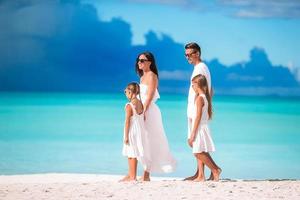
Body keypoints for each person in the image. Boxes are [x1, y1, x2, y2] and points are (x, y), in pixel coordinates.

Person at [135, 51, 176, 181]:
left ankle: (146, 174)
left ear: (150, 62)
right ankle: (143, 172)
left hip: (150, 111)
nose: (139, 63)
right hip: (142, 110)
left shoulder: (152, 76)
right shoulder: (142, 77)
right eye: (138, 60)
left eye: (142, 60)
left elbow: (151, 95)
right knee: (142, 140)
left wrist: (145, 111)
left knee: (151, 140)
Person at [184, 42, 218, 181]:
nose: (187, 57)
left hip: (196, 111)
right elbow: (211, 90)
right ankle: (200, 174)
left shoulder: (200, 68)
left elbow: (206, 90)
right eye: (185, 55)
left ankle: (208, 172)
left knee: (197, 145)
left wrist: (201, 107)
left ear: (197, 53)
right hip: (197, 110)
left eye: (189, 54)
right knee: (199, 144)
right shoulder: (202, 68)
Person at [188, 74, 221, 181]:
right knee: (202, 151)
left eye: (193, 85)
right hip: (202, 127)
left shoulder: (199, 99)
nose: (192, 87)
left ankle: (215, 169)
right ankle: (208, 173)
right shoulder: (204, 98)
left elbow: (197, 117)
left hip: (199, 128)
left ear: (199, 86)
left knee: (197, 152)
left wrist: (193, 133)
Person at [120, 82, 151, 182]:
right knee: (132, 152)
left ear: (130, 91)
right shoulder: (140, 103)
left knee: (131, 153)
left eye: (125, 91)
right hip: (139, 131)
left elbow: (127, 122)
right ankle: (131, 174)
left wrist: (125, 136)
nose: (125, 94)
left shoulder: (129, 105)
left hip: (132, 131)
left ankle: (132, 176)